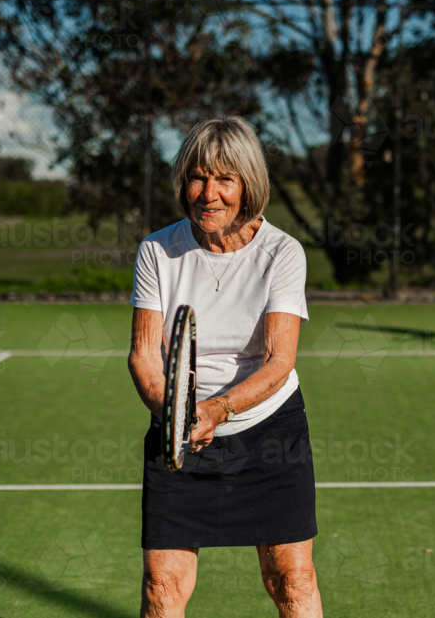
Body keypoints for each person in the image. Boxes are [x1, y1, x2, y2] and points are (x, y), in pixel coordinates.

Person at [127, 116, 323, 617]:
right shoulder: (157, 250)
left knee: (291, 580)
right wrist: (172, 415)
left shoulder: (282, 252)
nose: (208, 193)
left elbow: (280, 361)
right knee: (161, 585)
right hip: (180, 436)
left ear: (248, 184)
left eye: (224, 179)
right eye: (197, 176)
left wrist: (216, 410)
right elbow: (145, 355)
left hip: (269, 431)